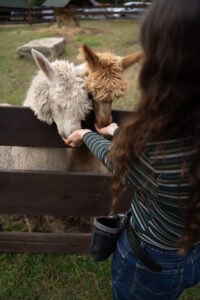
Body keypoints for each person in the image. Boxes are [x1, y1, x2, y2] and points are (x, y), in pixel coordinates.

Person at [63, 0, 200, 298]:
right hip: (193, 253)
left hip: (149, 261)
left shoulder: (161, 147)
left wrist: (88, 134)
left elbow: (120, 159)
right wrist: (118, 130)